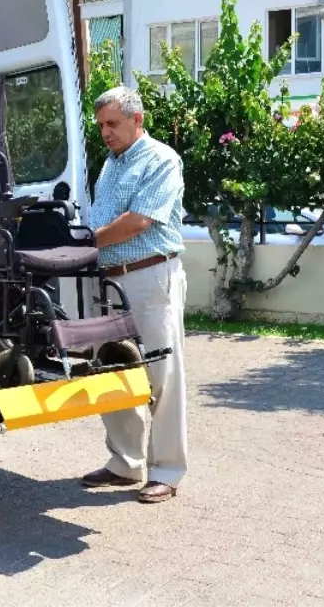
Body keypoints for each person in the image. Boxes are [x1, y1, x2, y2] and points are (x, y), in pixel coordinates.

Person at [81, 86, 188, 504]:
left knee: (162, 375)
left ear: (137, 120)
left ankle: (167, 471)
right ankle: (125, 463)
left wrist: (86, 242)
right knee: (112, 369)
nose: (105, 133)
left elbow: (139, 221)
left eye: (112, 124)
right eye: (101, 126)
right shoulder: (109, 165)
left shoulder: (161, 159)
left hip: (150, 276)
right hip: (110, 279)